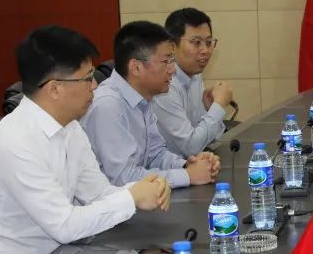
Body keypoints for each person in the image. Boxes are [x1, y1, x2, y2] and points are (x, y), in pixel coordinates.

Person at [0, 26, 170, 254]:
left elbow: (97, 194)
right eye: (87, 78)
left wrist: (143, 188)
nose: (95, 86)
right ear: (55, 88)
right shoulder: (16, 141)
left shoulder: (70, 127)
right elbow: (64, 225)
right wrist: (131, 198)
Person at [82, 21, 220, 188]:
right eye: (167, 61)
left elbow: (155, 154)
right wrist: (188, 175)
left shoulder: (143, 97)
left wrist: (187, 165)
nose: (173, 69)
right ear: (136, 67)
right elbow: (123, 178)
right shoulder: (107, 106)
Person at [152, 7, 233, 157]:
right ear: (172, 46)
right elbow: (190, 147)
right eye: (196, 43)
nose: (205, 50)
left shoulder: (194, 75)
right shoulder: (164, 85)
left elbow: (209, 137)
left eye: (208, 42)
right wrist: (219, 106)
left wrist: (209, 109)